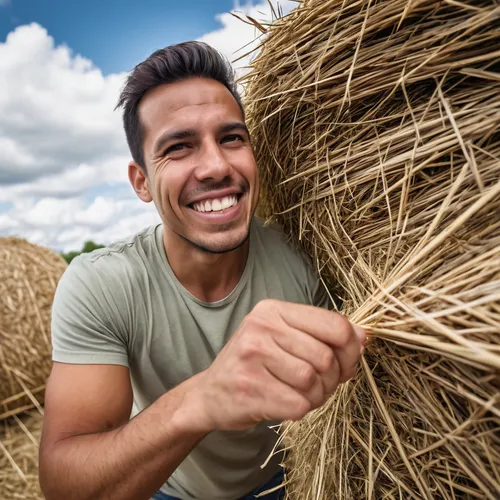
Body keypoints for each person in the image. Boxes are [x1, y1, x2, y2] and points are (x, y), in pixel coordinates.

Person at [38, 41, 365, 500]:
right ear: (141, 182)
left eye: (232, 138)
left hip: (287, 481)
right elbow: (65, 484)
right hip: (164, 487)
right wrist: (205, 399)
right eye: (179, 146)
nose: (215, 166)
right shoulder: (100, 284)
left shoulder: (303, 255)